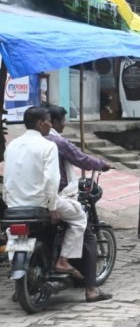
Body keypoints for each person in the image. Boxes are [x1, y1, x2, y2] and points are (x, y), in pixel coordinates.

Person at [3, 106, 85, 280]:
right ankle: (63, 260)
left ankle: (20, 270)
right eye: (48, 121)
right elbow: (51, 181)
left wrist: (10, 202)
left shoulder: (11, 146)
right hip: (39, 205)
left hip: (14, 206)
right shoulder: (48, 146)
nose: (50, 125)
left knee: (17, 236)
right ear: (40, 124)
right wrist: (52, 207)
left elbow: (8, 178)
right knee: (79, 217)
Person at [45, 106, 114, 302]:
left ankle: (24, 286)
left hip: (23, 202)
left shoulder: (21, 145)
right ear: (50, 122)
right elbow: (81, 159)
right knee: (84, 229)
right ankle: (90, 289)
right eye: (62, 121)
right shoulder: (55, 142)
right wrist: (101, 164)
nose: (64, 124)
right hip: (55, 197)